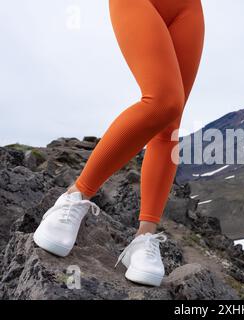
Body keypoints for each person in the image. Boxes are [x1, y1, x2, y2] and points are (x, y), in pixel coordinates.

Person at [33, 0, 205, 287]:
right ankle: (74, 196)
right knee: (163, 101)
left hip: (188, 9)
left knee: (170, 126)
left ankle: (144, 238)